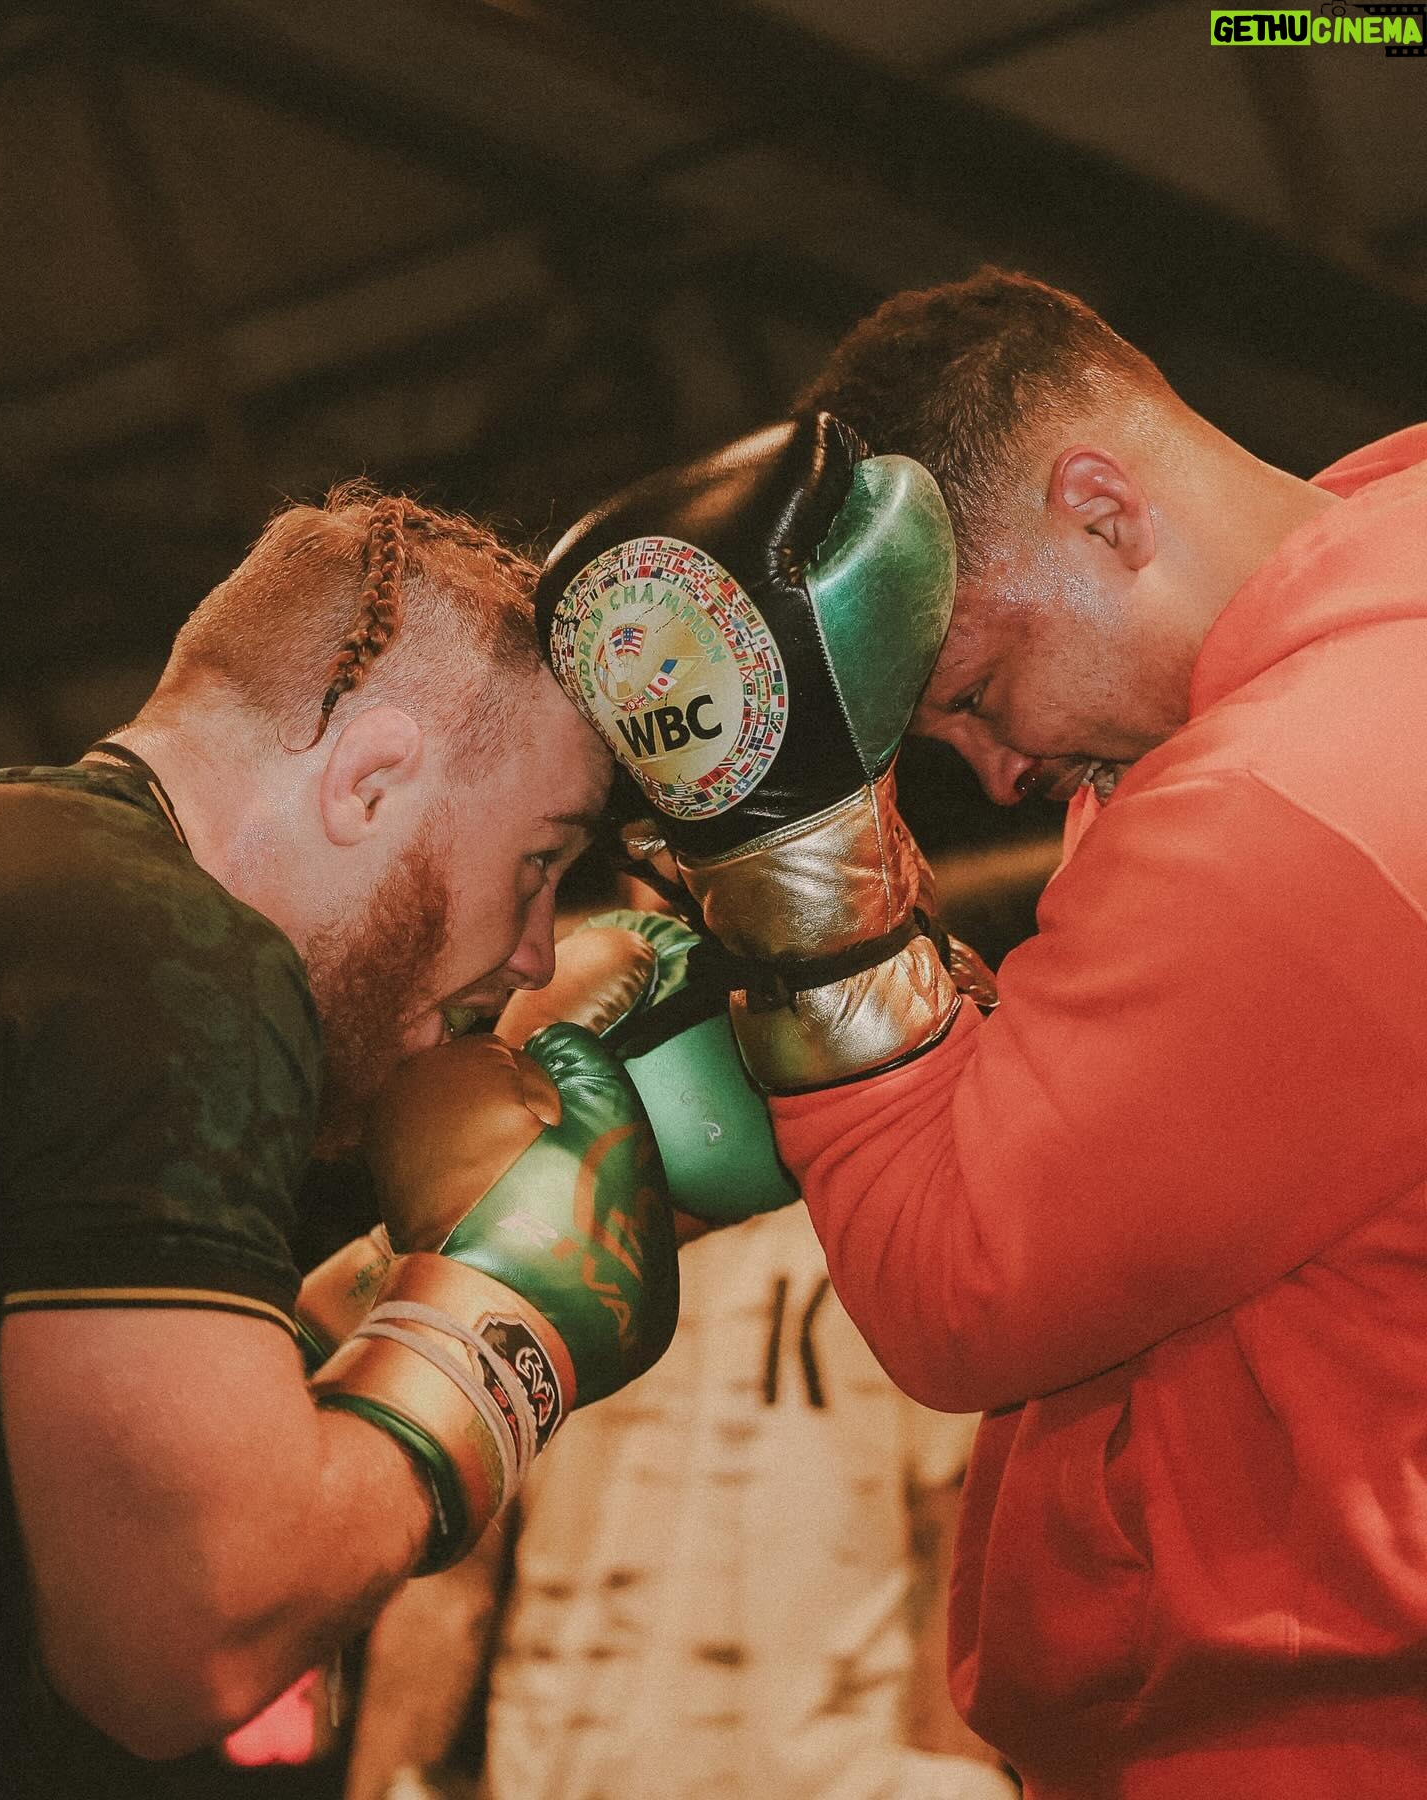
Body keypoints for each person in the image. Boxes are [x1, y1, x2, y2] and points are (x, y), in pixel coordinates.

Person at [531, 279, 1427, 1798]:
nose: (999, 774)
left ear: (1103, 509)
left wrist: (802, 892)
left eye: (979, 691)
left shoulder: (1283, 797)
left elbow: (958, 1286)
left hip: (1321, 1738)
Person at [0, 486, 683, 1797]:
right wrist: (507, 1331)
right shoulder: (173, 958)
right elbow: (181, 1642)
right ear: (370, 781)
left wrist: (381, 1277)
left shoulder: (36, 881)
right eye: (540, 861)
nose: (537, 952)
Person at [343, 916, 1016, 1800]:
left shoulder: (889, 1172)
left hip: (835, 1780)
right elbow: (453, 1568)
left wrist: (953, 1773)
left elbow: (957, 1535)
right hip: (571, 1774)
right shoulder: (543, 1175)